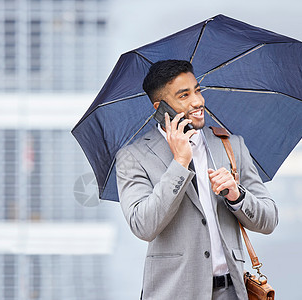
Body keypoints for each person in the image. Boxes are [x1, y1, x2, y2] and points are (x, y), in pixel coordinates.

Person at [115, 60, 278, 300]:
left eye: (197, 90)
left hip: (232, 291)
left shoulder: (231, 145)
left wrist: (237, 195)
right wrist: (179, 163)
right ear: (160, 107)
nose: (198, 101)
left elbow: (269, 219)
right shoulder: (133, 157)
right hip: (172, 292)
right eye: (184, 95)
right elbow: (143, 225)